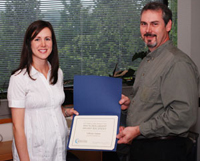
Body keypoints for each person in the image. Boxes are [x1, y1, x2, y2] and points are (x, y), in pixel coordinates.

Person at [117, 2, 199, 161]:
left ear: (168, 25)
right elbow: (155, 102)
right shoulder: (148, 61)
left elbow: (182, 115)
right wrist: (131, 104)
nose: (148, 30)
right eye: (144, 24)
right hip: (143, 147)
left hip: (164, 151)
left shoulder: (177, 63)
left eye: (155, 24)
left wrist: (139, 130)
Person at [7, 20, 78, 161]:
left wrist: (66, 111)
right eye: (37, 39)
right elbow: (18, 128)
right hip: (34, 154)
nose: (43, 44)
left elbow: (51, 107)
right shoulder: (19, 78)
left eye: (47, 39)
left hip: (58, 149)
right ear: (29, 43)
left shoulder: (58, 73)